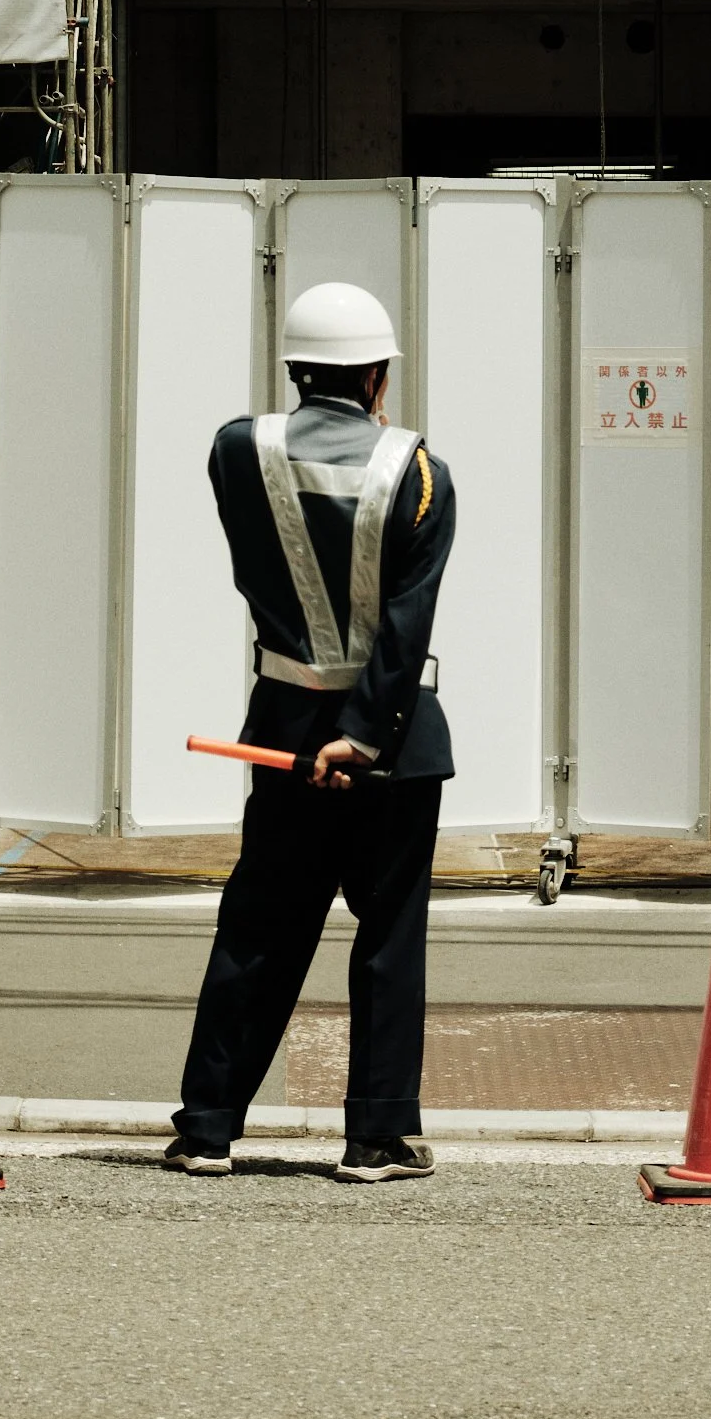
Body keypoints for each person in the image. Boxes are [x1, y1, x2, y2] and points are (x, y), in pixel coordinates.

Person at [164, 282, 456, 1185]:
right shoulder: (418, 475)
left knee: (260, 925)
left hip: (283, 736)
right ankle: (375, 1138)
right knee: (387, 938)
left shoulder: (234, 450)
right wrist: (363, 736)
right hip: (392, 748)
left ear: (295, 369)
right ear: (377, 375)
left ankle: (207, 1127)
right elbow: (405, 626)